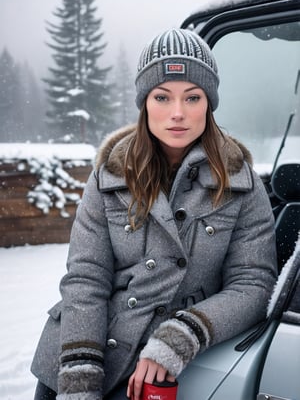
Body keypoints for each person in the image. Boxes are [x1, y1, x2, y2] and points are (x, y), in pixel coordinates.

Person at [31, 28, 277, 400]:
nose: (177, 113)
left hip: (159, 375)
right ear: (144, 101)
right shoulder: (109, 176)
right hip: (77, 358)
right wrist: (79, 378)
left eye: (192, 98)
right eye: (162, 97)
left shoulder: (239, 182)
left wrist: (180, 336)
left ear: (208, 104)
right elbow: (86, 278)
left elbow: (254, 285)